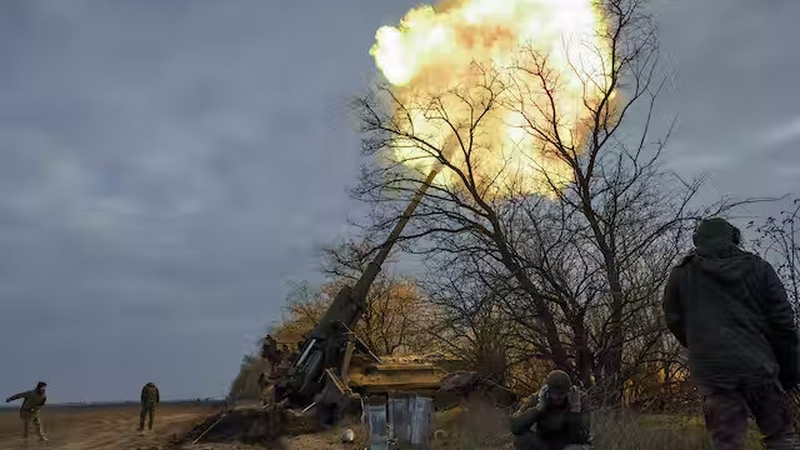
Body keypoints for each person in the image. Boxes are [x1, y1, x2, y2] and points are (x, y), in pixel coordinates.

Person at [662, 217, 800, 449]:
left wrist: (702, 347)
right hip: (760, 367)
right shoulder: (760, 268)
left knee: (727, 444)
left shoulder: (681, 274)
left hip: (715, 374)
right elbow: (783, 323)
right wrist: (789, 371)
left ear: (697, 241)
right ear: (734, 238)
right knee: (781, 438)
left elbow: (674, 320)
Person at [510, 370, 590, 450]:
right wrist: (539, 408)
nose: (558, 397)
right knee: (520, 438)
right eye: (555, 393)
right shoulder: (540, 398)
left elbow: (580, 437)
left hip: (568, 444)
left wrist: (575, 410)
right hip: (544, 443)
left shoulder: (579, 399)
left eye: (562, 393)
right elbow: (515, 427)